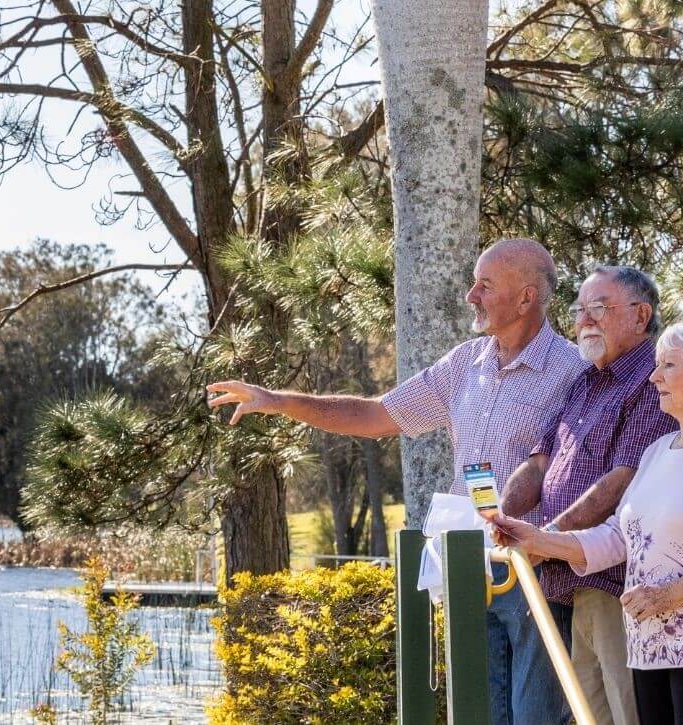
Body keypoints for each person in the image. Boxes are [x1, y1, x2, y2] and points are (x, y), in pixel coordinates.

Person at [207, 238, 586, 725]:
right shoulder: (463, 366)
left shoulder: (573, 371)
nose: (471, 294)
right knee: (478, 715)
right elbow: (374, 414)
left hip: (535, 571)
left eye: (485, 285)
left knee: (535, 718)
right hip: (469, 567)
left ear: (526, 298)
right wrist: (279, 400)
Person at [490, 321, 683, 725]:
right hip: (650, 640)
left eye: (669, 366)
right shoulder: (660, 449)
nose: (653, 376)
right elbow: (621, 537)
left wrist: (670, 595)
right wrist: (541, 540)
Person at [499, 266, 677, 725]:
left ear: (641, 316)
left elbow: (622, 481)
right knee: (590, 714)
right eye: (580, 310)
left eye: (600, 308)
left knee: (625, 711)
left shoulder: (654, 381)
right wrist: (497, 517)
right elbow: (540, 463)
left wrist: (547, 538)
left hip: (618, 582)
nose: (585, 321)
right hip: (572, 581)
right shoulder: (584, 380)